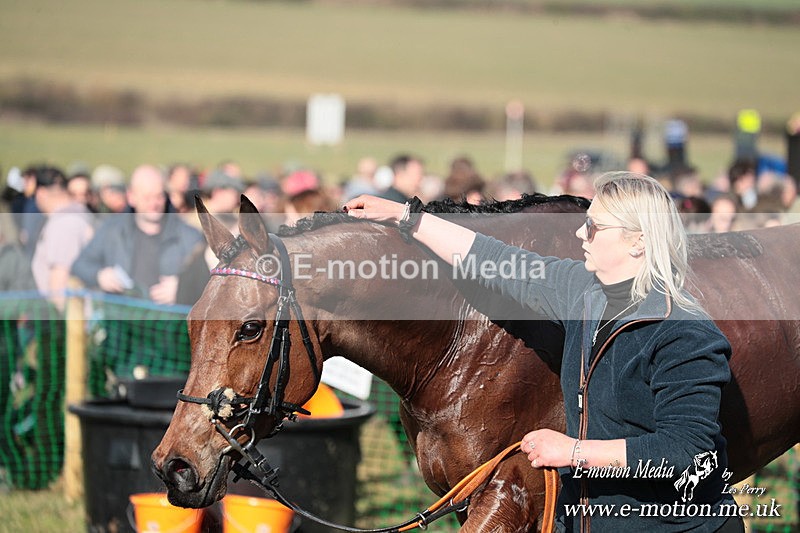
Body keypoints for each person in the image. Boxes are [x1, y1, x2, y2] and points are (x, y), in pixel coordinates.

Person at [344, 171, 741, 532]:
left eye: (594, 226)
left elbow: (686, 451)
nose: (580, 233)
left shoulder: (685, 332)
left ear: (637, 241)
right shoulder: (582, 291)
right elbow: (495, 260)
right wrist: (407, 216)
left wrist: (573, 452)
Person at [71, 164, 203, 305]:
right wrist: (99, 275)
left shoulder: (190, 236)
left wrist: (183, 288)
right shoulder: (112, 229)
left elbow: (212, 278)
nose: (154, 203)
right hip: (122, 315)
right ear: (131, 197)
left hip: (170, 317)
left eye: (159, 196)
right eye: (147, 197)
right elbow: (80, 265)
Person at [31, 166, 94, 311]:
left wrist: (57, 319)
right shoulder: (76, 215)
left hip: (68, 318)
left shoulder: (64, 224)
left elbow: (61, 278)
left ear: (40, 193)